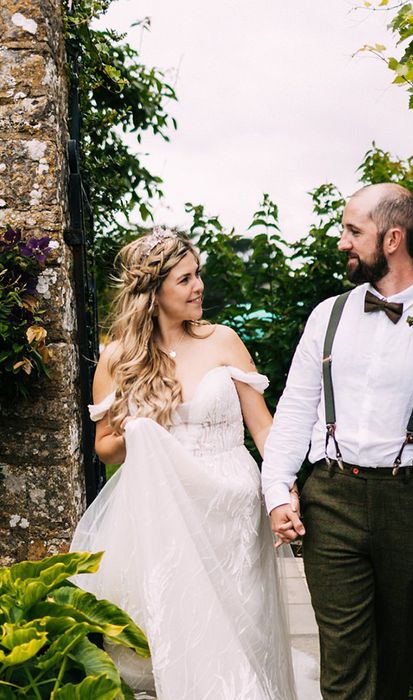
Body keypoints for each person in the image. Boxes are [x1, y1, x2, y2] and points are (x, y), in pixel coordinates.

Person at [262, 183, 413, 700]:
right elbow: (295, 412)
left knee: (396, 659)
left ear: (392, 238)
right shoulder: (327, 317)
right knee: (343, 667)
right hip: (331, 499)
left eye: (353, 231)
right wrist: (278, 492)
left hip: (409, 504)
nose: (342, 241)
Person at [70, 228, 299, 699]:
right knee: (188, 624)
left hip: (234, 512)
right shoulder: (118, 358)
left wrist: (283, 490)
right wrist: (138, 430)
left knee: (246, 626)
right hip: (169, 509)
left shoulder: (223, 340)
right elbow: (104, 446)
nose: (199, 288)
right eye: (185, 279)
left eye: (198, 276)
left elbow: (263, 427)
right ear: (152, 292)